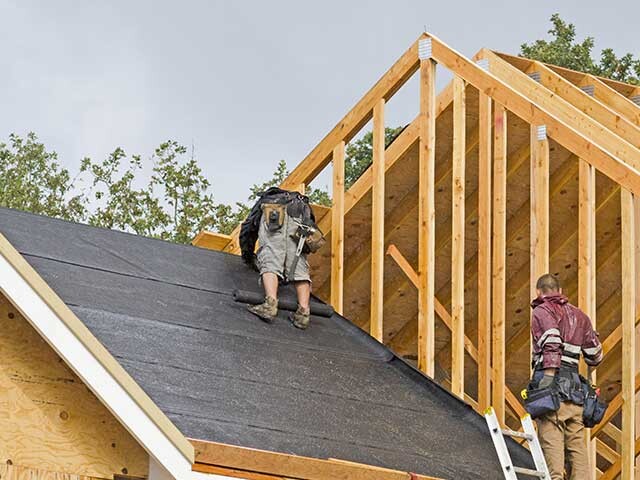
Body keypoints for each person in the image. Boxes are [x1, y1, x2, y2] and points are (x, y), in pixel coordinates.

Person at [530, 273, 603, 480]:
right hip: (576, 396)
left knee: (552, 446)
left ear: (539, 292)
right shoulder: (580, 316)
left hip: (554, 394)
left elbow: (552, 340)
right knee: (577, 448)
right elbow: (595, 354)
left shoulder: (542, 311)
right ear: (560, 291)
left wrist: (548, 378)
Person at [239, 187, 318, 329]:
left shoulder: (267, 201)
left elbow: (248, 227)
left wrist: (248, 255)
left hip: (275, 212)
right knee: (298, 261)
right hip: (300, 215)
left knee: (270, 254)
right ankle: (303, 314)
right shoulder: (302, 204)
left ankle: (270, 305)